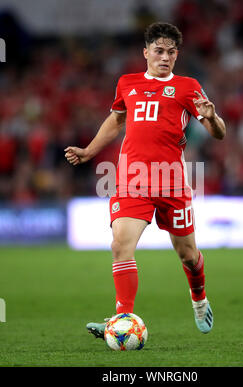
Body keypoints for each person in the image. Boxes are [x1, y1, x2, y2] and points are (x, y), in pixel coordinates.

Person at [65, 22, 226, 339]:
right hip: (131, 179)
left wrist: (212, 116)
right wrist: (89, 151)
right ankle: (122, 318)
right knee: (120, 246)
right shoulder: (127, 83)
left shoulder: (188, 87)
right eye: (159, 51)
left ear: (176, 56)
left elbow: (219, 134)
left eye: (170, 52)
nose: (164, 57)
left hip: (172, 182)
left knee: (189, 256)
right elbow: (116, 120)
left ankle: (198, 299)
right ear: (146, 53)